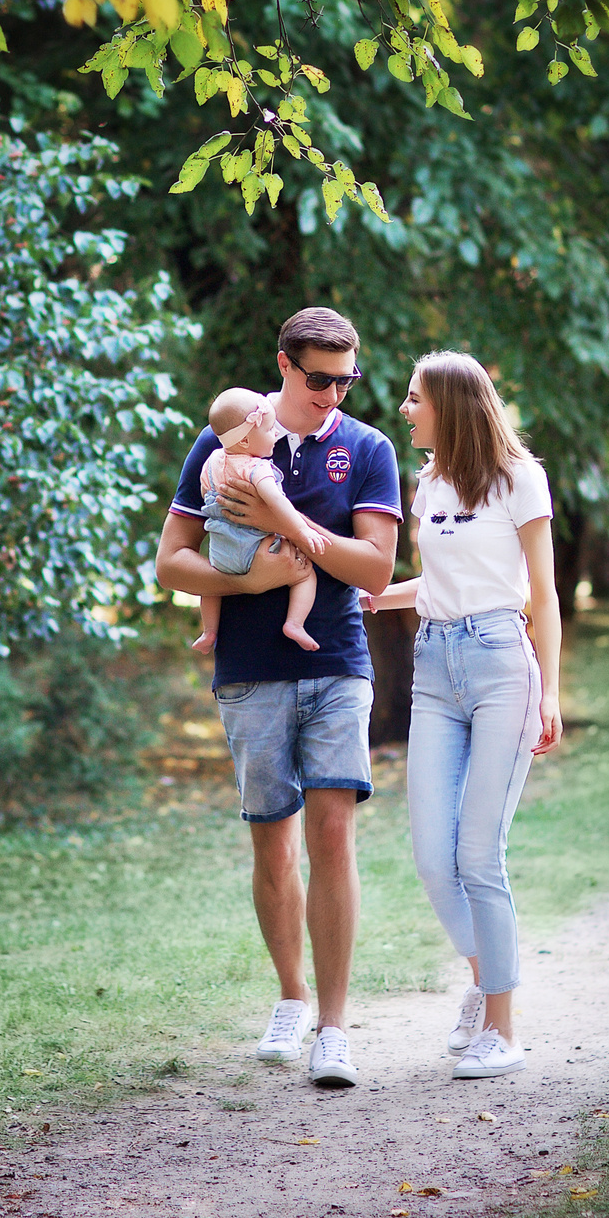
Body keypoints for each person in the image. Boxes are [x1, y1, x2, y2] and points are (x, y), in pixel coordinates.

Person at [156, 308, 400, 1089]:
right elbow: (171, 564)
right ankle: (291, 997)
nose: (333, 393)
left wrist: (289, 526)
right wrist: (253, 577)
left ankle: (334, 1026)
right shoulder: (224, 442)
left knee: (332, 833)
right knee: (274, 839)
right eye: (319, 376)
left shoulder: (368, 449)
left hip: (336, 661)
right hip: (251, 668)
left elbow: (375, 571)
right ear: (285, 365)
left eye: (346, 378)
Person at [363, 351, 562, 1080]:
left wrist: (551, 691)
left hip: (503, 662)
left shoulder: (520, 478)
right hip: (436, 665)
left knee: (479, 854)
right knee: (430, 856)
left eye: (415, 398)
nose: (407, 409)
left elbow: (542, 593)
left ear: (449, 402)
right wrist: (369, 596)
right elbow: (435, 584)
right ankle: (486, 976)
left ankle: (503, 1028)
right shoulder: (428, 484)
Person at [190, 387, 336, 655]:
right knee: (305, 575)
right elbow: (277, 503)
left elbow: (203, 493)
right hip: (255, 548)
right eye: (269, 430)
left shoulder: (212, 461)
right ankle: (294, 623)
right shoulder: (257, 468)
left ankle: (209, 631)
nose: (275, 435)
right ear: (245, 442)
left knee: (210, 586)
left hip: (221, 553)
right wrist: (302, 531)